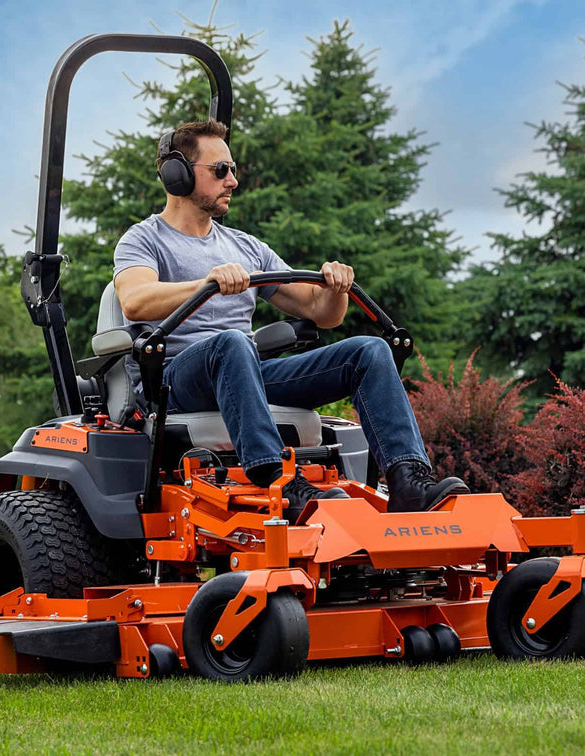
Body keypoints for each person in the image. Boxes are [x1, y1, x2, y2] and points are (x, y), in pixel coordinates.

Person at [113, 119, 469, 522]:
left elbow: (322, 313)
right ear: (176, 176)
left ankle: (409, 480)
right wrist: (206, 283)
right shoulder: (144, 239)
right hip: (176, 381)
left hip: (243, 372)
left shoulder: (246, 247)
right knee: (233, 342)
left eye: (233, 169)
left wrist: (335, 287)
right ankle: (276, 479)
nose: (233, 181)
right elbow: (136, 301)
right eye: (220, 171)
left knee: (368, 351)